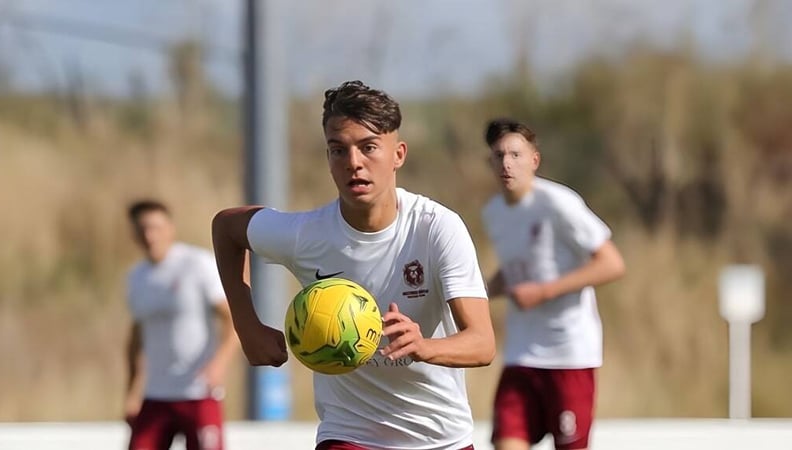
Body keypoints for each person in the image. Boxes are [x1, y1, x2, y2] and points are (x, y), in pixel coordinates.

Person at [211, 80, 496, 450]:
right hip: (349, 433)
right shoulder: (307, 234)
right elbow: (227, 227)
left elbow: (482, 343)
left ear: (398, 154)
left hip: (440, 438)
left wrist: (424, 346)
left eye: (369, 147)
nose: (353, 162)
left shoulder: (435, 228)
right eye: (338, 150)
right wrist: (247, 326)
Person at [481, 119, 626, 450]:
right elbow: (515, 268)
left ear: (534, 160)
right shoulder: (494, 213)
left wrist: (544, 292)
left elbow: (612, 263)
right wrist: (478, 294)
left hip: (568, 354)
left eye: (515, 154)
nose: (506, 164)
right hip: (520, 354)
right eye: (499, 155)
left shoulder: (558, 203)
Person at [124, 200, 239, 450]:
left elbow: (231, 318)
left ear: (170, 229)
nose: (150, 236)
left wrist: (219, 364)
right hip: (156, 394)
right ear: (134, 234)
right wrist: (132, 393)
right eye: (143, 229)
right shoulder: (136, 277)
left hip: (198, 392)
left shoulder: (197, 264)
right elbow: (136, 338)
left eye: (155, 228)